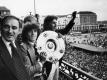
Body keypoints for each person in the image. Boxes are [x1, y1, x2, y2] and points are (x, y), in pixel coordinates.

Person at [42, 11, 77, 80]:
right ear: (47, 24)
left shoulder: (56, 33)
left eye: (56, 23)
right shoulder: (42, 35)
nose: (56, 25)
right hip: (48, 65)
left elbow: (66, 30)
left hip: (57, 63)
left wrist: (73, 19)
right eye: (53, 23)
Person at [0, 15, 30, 80]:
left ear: (19, 30)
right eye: (6, 27)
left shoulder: (18, 45)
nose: (10, 31)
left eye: (14, 28)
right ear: (1, 28)